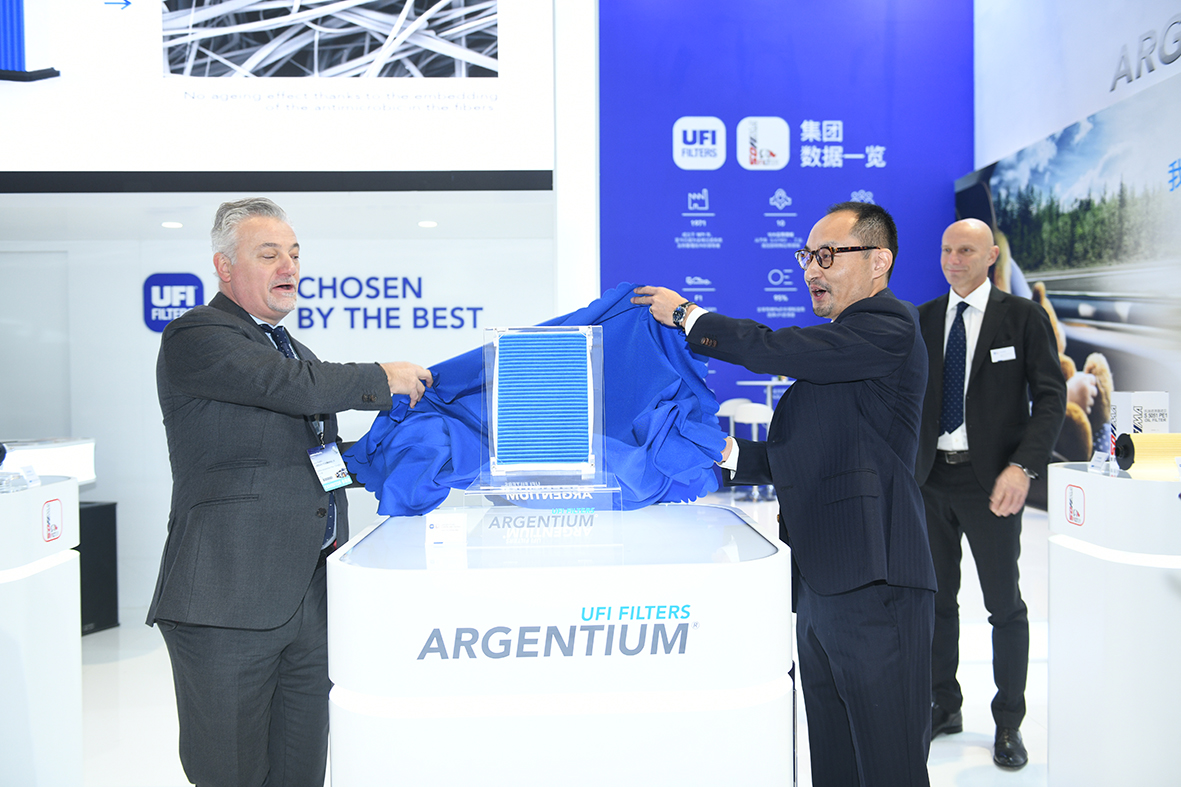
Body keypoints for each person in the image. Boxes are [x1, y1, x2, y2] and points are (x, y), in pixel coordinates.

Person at [633, 202, 937, 787]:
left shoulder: (889, 325)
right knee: (834, 764)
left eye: (827, 256)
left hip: (877, 582)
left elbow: (775, 349)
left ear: (879, 261)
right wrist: (725, 454)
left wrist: (690, 317)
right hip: (822, 585)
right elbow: (817, 457)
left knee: (889, 766)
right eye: (807, 257)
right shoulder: (846, 351)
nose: (811, 270)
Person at [146, 197, 433, 787]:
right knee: (230, 774)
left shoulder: (295, 351)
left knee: (301, 773)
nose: (289, 267)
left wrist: (393, 457)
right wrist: (383, 377)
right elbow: (288, 386)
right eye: (269, 254)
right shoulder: (196, 335)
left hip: (309, 600)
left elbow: (314, 461)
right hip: (227, 603)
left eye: (295, 254)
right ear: (225, 267)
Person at [914, 218, 1065, 771]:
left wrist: (1023, 467)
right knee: (935, 603)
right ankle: (943, 706)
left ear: (991, 256)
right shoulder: (923, 318)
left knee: (1005, 606)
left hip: (994, 484)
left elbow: (1051, 399)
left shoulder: (1022, 317)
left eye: (965, 250)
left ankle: (1008, 723)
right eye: (946, 250)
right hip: (930, 480)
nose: (953, 260)